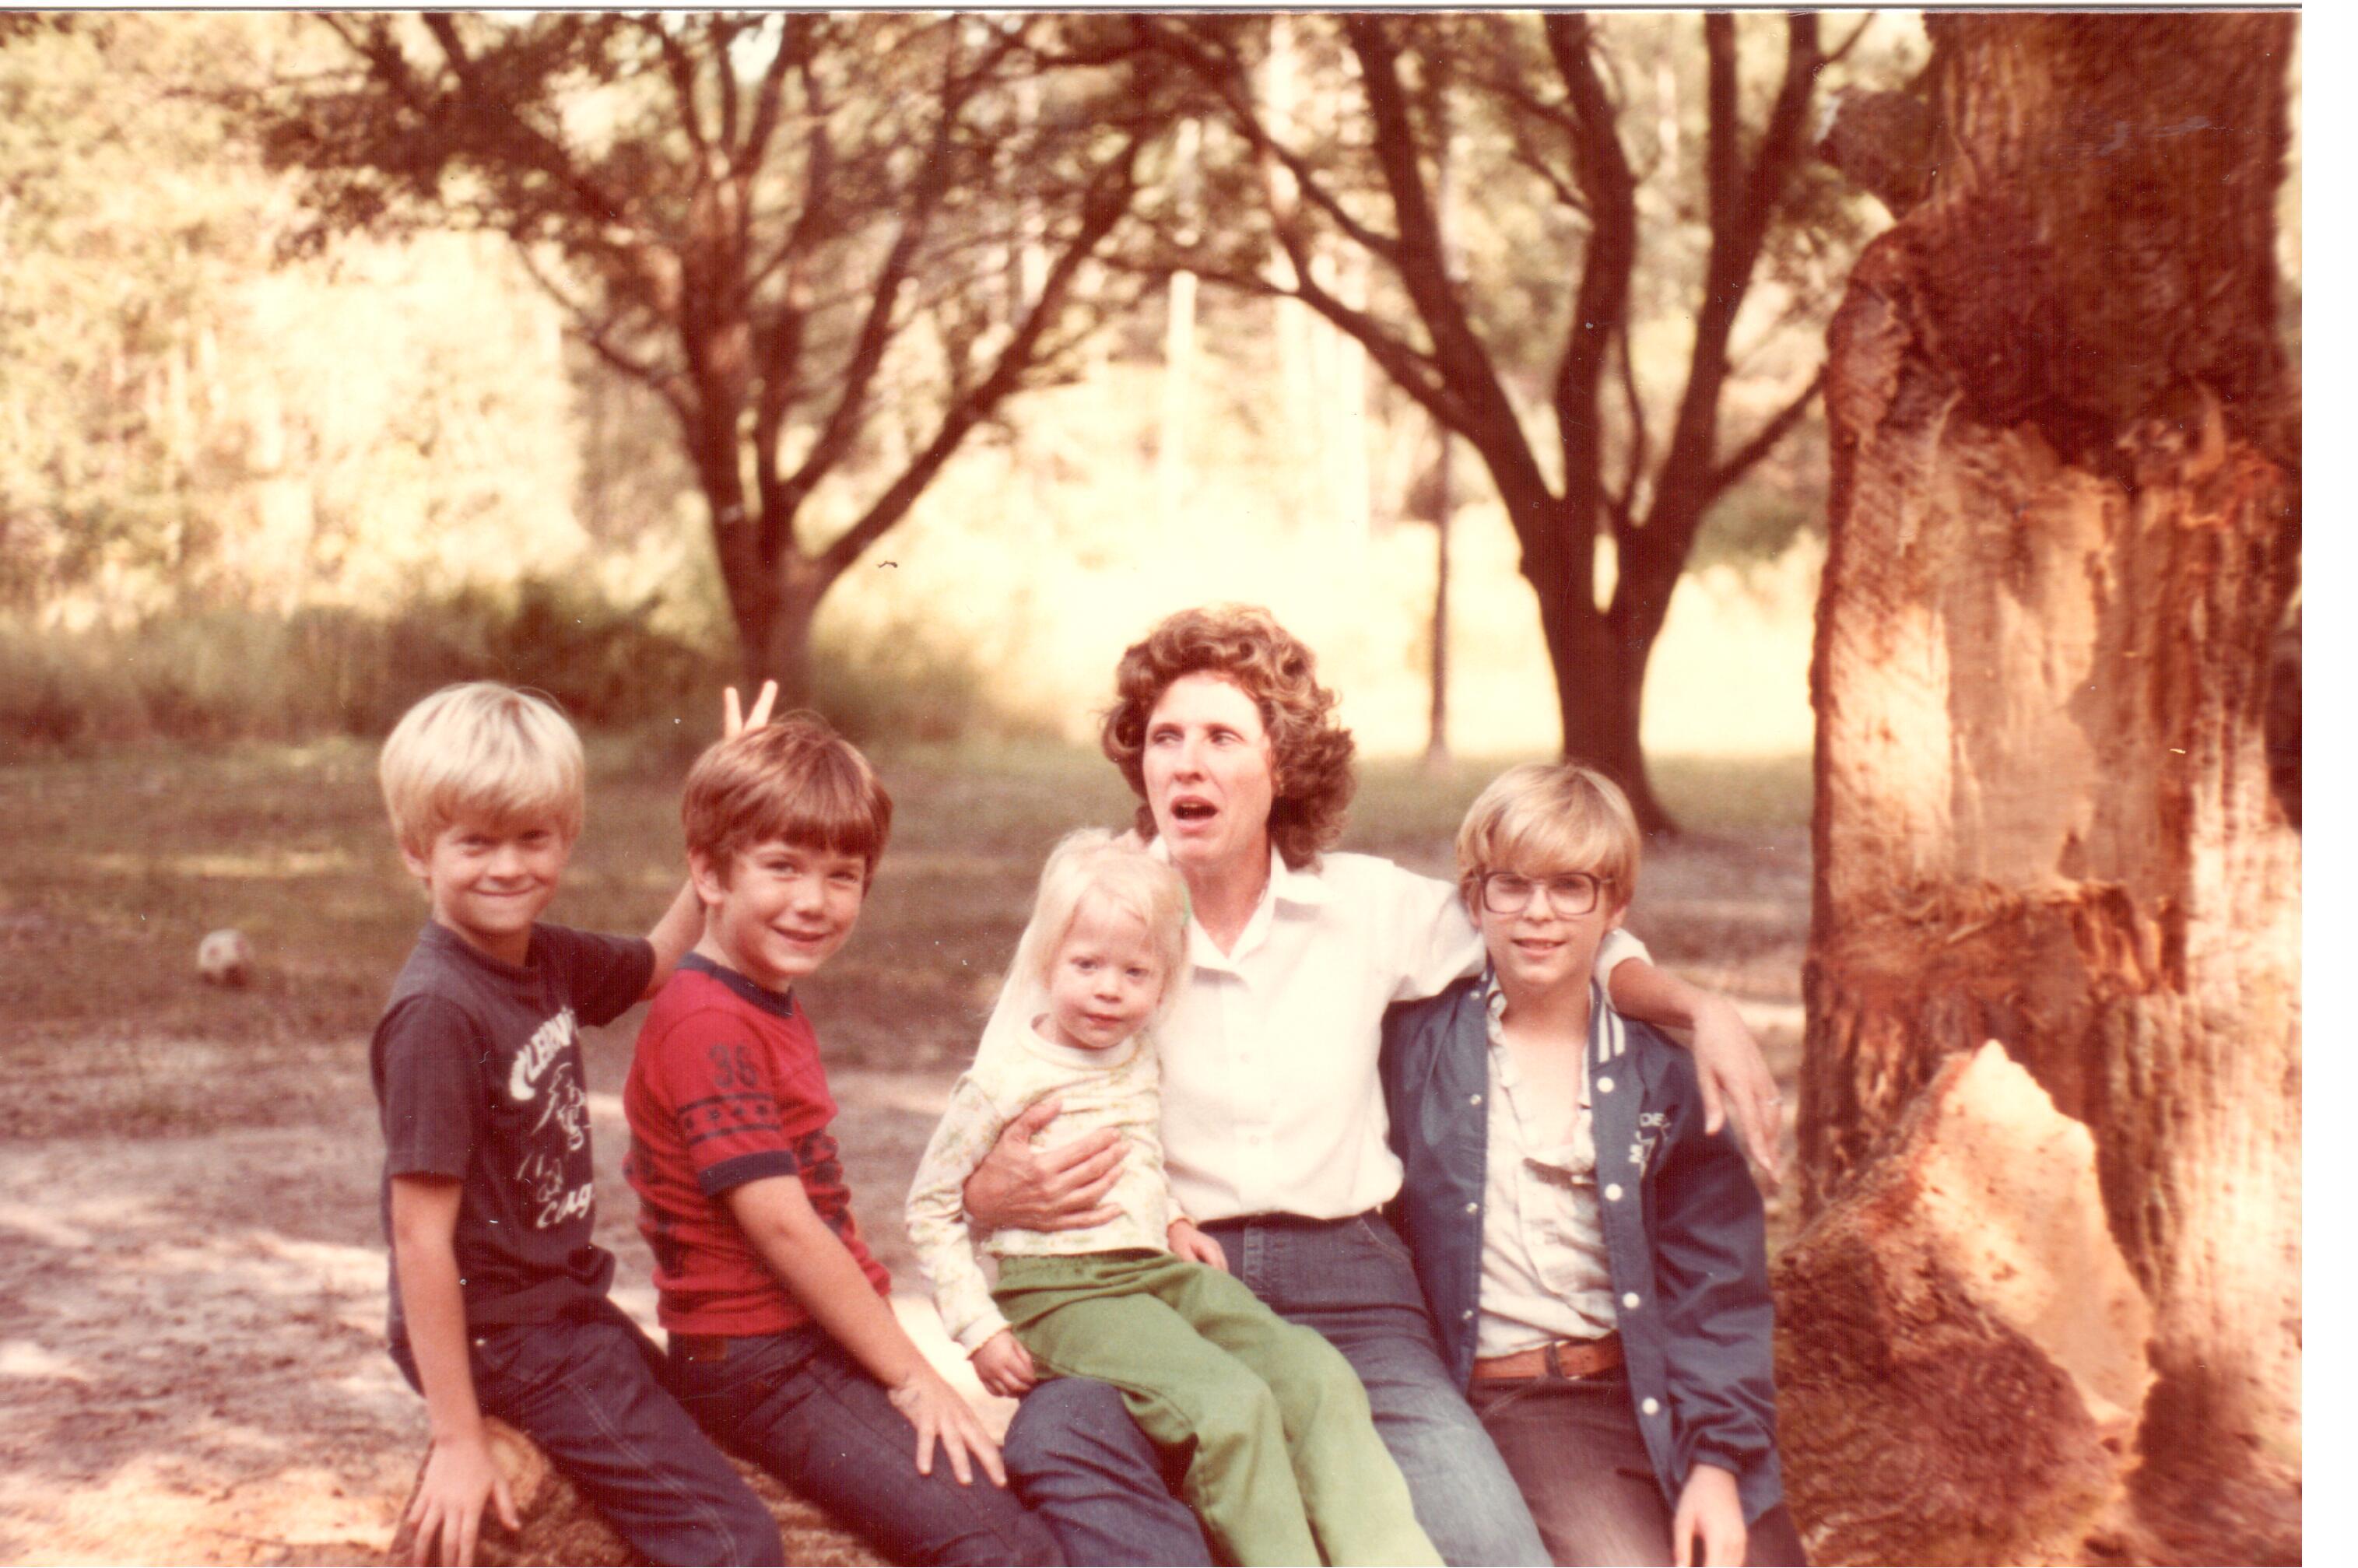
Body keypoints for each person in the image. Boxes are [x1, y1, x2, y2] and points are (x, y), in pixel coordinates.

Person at [961, 605, 1785, 1566]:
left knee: (1487, 1547)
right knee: (1062, 1438)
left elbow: (1540, 928)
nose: (1186, 763)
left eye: (1222, 737)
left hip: (1351, 1285)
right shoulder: (1095, 913)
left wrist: (1698, 1007)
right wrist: (989, 1192)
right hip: (1155, 1274)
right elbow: (986, 1125)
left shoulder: (1364, 904)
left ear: (1281, 764)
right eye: (1164, 738)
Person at [623, 717, 1196, 1566]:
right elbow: (783, 1227)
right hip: (760, 1362)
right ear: (708, 873)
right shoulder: (709, 1020)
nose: (814, 901)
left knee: (997, 1487)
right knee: (1003, 1550)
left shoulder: (754, 996)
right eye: (782, 867)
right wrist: (913, 1375)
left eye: (842, 875)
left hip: (801, 1345)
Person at [907, 830, 1438, 1566]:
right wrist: (979, 1328)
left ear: (1165, 983)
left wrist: (1175, 1217)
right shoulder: (1002, 1079)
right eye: (1086, 965)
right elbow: (929, 1208)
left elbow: (1138, 1151)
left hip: (1151, 1272)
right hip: (1059, 1294)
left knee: (1314, 1374)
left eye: (1135, 972)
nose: (1109, 989)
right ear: (1045, 960)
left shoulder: (1134, 1051)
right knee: (1227, 1405)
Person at [370, 680, 783, 1568]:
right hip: (502, 1335)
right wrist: (457, 1435)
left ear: (567, 837)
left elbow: (660, 961)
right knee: (734, 1542)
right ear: (416, 851)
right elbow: (418, 1237)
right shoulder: (438, 1012)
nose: (507, 867)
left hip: (562, 1312)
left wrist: (725, 817)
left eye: (533, 838)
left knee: (724, 1438)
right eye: (475, 842)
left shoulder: (542, 955)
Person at [1381, 763, 1805, 1567]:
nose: (1539, 912)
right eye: (1512, 884)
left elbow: (1716, 1283)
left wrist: (1717, 1460)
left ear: (1615, 909)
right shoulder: (1415, 1050)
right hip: (1525, 1401)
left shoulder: (1660, 1076)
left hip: (1653, 1382)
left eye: (1571, 886)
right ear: (1474, 900)